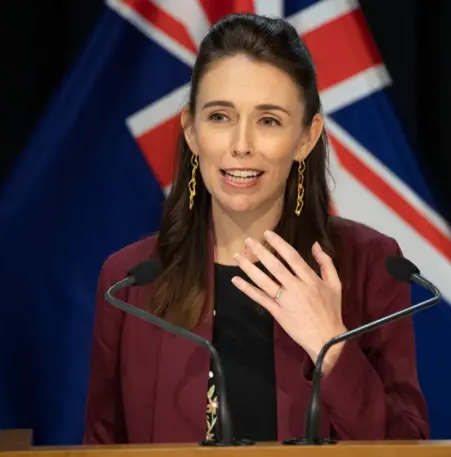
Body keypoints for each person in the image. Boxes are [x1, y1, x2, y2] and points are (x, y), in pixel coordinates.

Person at [83, 12, 429, 445]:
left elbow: (407, 449)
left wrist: (333, 347)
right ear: (191, 130)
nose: (241, 144)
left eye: (269, 120)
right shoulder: (130, 282)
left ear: (306, 136)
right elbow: (102, 446)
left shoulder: (369, 265)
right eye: (220, 117)